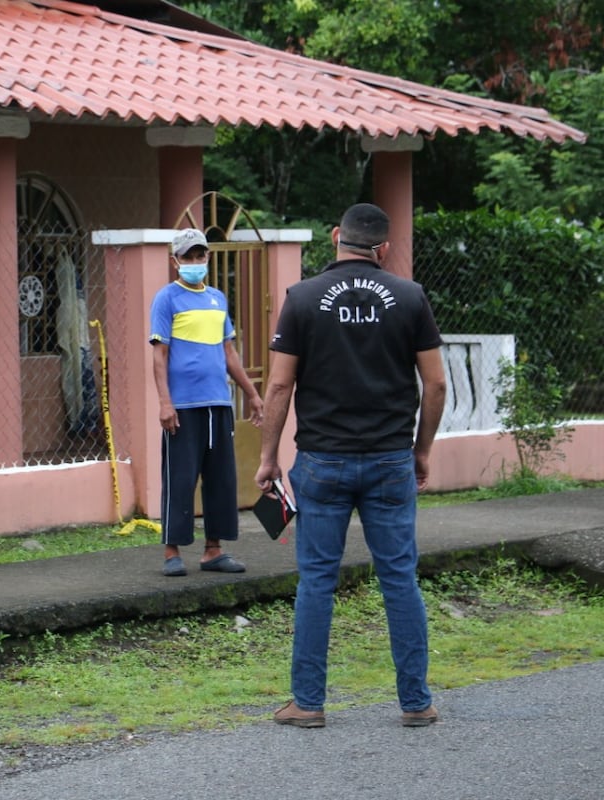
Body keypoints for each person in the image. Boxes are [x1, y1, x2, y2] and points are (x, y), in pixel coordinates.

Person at [255, 203, 447, 729]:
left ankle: (308, 703)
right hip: (390, 462)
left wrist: (269, 457)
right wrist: (421, 449)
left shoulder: (302, 298)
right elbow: (435, 384)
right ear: (383, 248)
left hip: (322, 462)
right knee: (399, 579)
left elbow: (278, 385)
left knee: (316, 580)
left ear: (337, 236)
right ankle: (416, 703)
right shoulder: (410, 299)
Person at [150, 227, 265, 577]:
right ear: (175, 261)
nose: (195, 262)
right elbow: (160, 355)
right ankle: (172, 552)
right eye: (188, 257)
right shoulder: (167, 299)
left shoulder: (217, 299)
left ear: (208, 258)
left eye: (200, 256)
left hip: (218, 403)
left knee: (221, 478)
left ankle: (213, 550)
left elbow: (229, 351)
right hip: (183, 407)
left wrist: (252, 393)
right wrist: (165, 403)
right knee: (180, 478)